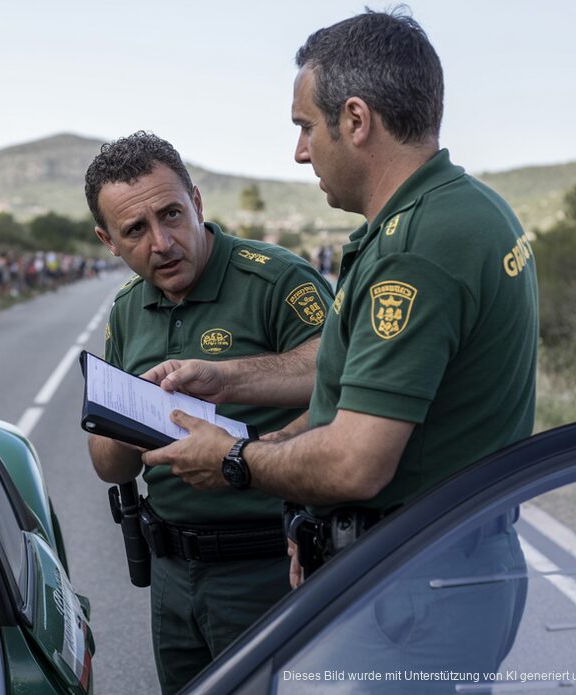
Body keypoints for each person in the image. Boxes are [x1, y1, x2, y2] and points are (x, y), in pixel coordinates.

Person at [139, 10, 536, 687]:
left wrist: (234, 458)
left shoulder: (416, 251)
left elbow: (357, 462)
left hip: (411, 593)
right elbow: (355, 400)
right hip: (438, 570)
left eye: (305, 126)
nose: (299, 151)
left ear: (356, 120)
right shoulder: (468, 208)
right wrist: (307, 515)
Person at [84, 132, 332, 694]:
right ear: (109, 241)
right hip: (172, 574)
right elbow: (109, 465)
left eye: (171, 214)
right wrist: (130, 417)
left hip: (271, 568)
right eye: (135, 231)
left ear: (197, 203)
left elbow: (341, 375)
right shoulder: (126, 311)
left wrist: (231, 391)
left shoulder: (276, 280)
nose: (163, 242)